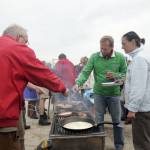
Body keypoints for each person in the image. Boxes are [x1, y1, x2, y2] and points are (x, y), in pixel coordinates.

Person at [0, 24, 68, 150]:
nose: (26, 45)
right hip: (4, 118)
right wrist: (63, 88)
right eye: (26, 41)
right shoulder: (17, 49)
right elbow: (42, 73)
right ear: (19, 36)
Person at [75, 36, 127, 150]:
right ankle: (100, 144)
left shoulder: (120, 57)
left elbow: (125, 75)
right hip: (99, 93)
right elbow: (85, 72)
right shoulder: (94, 57)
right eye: (101, 48)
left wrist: (115, 75)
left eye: (105, 49)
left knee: (117, 120)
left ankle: (119, 145)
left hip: (114, 93)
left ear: (112, 47)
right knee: (99, 120)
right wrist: (78, 82)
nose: (102, 51)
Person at [122, 31, 150, 150]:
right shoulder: (141, 56)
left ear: (133, 42)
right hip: (144, 107)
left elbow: (138, 87)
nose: (122, 47)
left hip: (141, 109)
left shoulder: (139, 59)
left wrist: (132, 109)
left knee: (141, 143)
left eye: (124, 44)